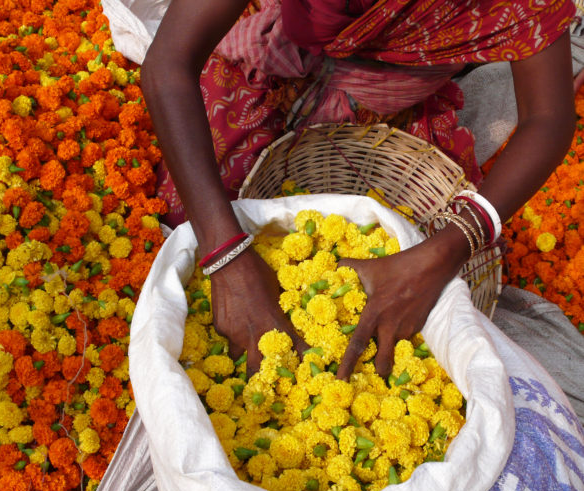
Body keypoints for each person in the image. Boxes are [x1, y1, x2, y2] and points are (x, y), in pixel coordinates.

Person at [140, 0, 576, 380]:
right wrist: (227, 257)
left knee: (424, 247)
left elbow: (549, 118)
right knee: (185, 217)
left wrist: (445, 250)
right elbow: (168, 64)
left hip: (388, 92)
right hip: (283, 50)